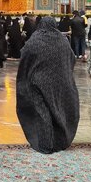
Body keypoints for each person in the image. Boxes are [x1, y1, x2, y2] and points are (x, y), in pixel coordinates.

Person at [16, 17, 79, 154]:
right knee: (58, 110)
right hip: (61, 83)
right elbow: (71, 59)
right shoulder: (63, 40)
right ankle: (60, 141)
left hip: (38, 82)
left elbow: (25, 57)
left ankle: (45, 144)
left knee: (42, 112)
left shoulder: (34, 40)